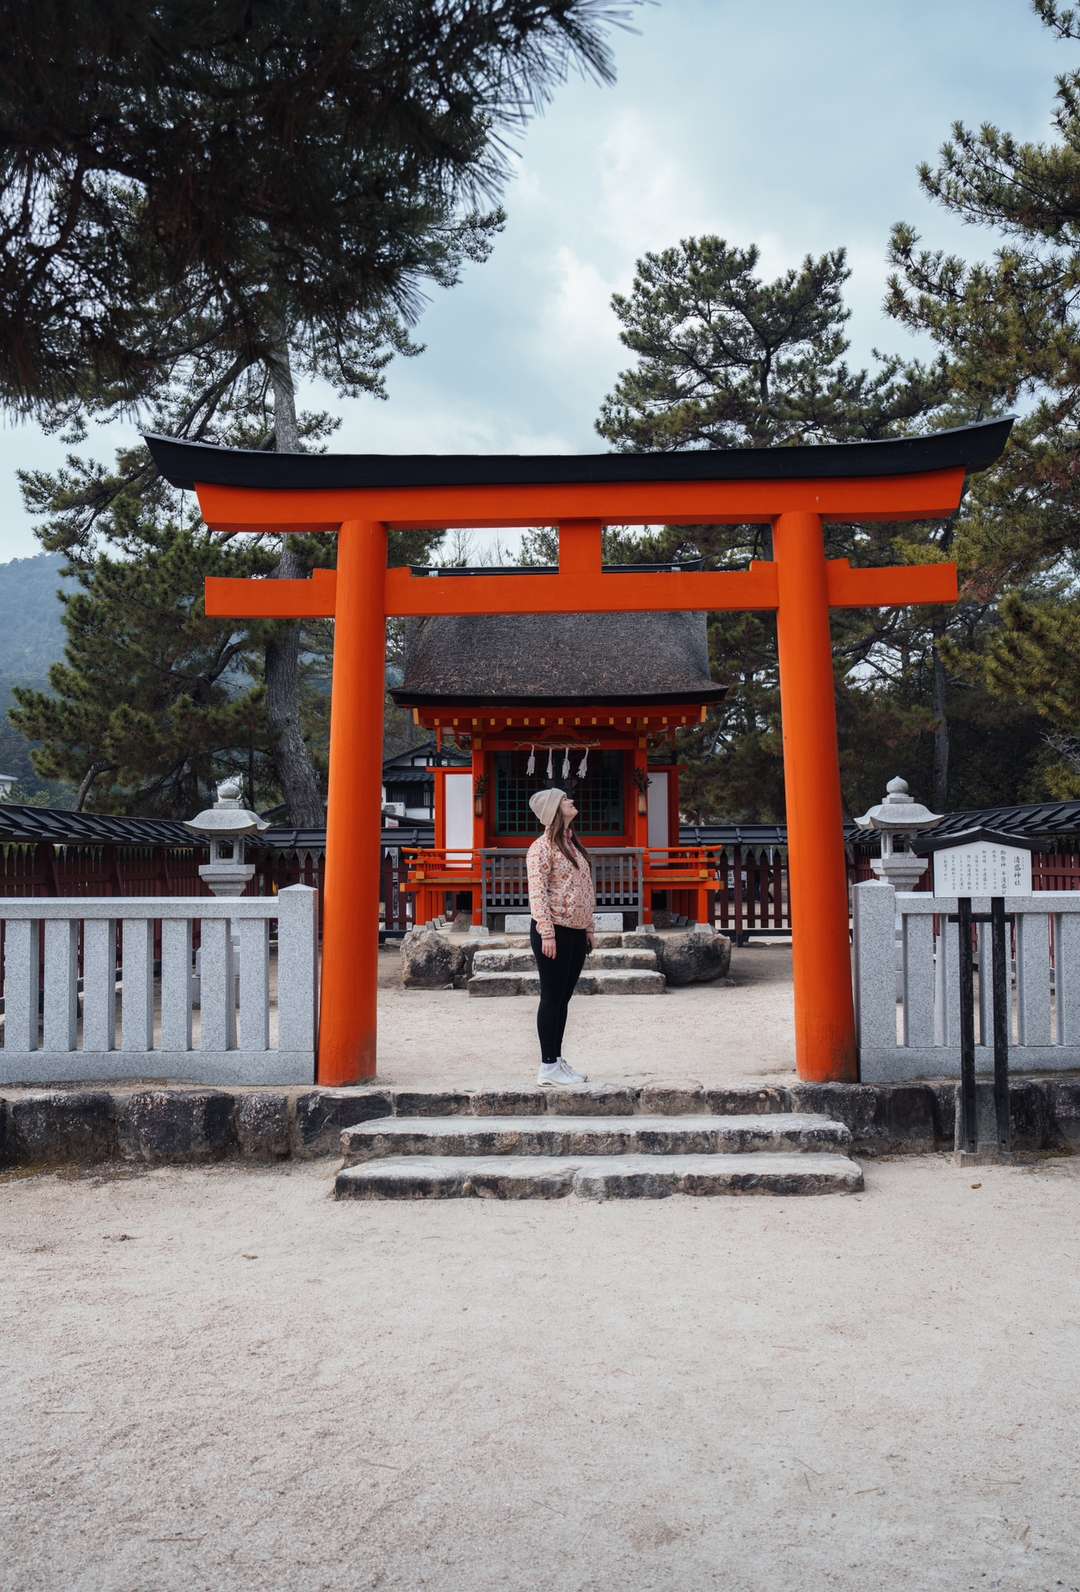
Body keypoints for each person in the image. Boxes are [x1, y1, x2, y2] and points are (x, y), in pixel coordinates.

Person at [525, 786, 596, 1086]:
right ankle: (547, 1065)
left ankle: (556, 1059)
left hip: (577, 930)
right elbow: (538, 893)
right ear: (555, 809)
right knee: (552, 997)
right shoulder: (540, 848)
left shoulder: (573, 845)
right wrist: (547, 932)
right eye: (565, 799)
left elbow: (586, 888)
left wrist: (590, 927)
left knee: (564, 998)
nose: (571, 801)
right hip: (554, 931)